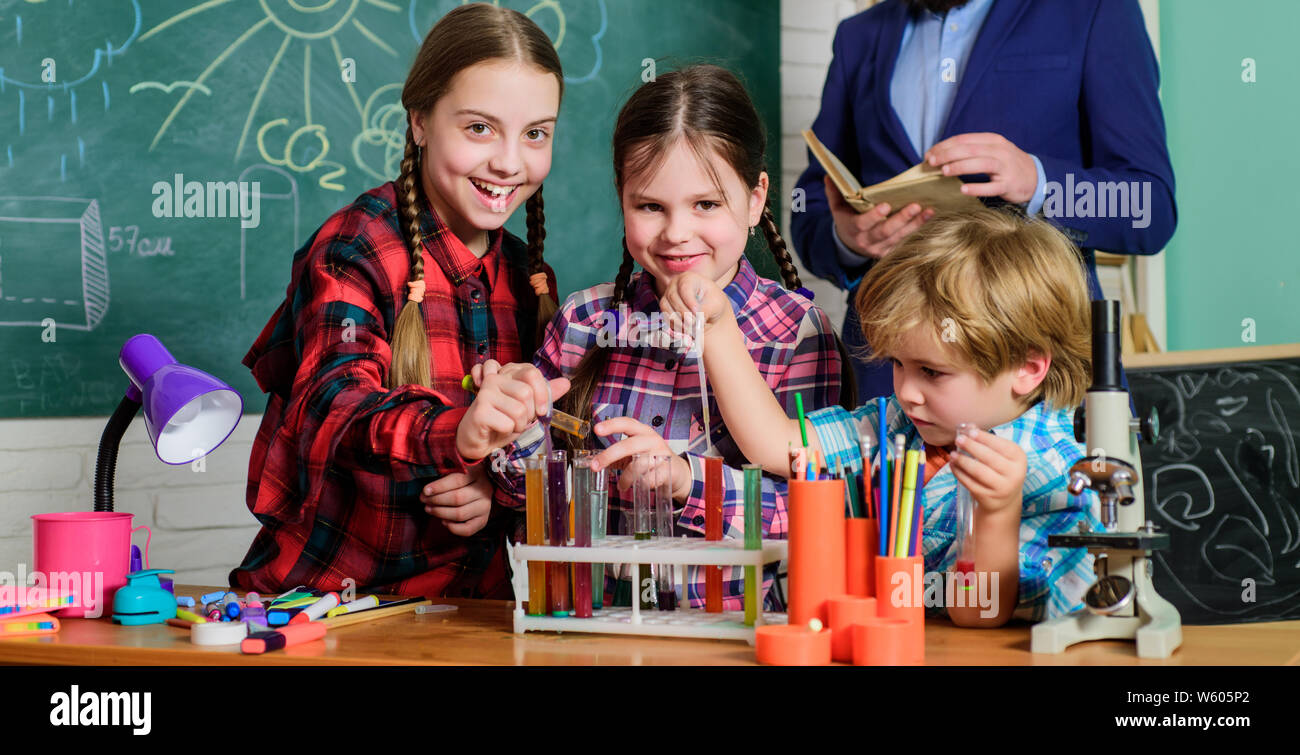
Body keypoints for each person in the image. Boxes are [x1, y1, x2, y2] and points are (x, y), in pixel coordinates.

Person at [231, 5, 568, 598]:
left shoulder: (530, 278)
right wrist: (455, 434)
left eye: (535, 133)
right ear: (419, 121)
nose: (511, 162)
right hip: (328, 609)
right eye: (479, 128)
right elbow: (332, 403)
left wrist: (498, 484)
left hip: (465, 619)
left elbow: (544, 450)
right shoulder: (356, 246)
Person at [487, 65, 847, 610]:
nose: (677, 233)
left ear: (754, 200)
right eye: (650, 206)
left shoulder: (797, 333)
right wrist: (512, 426)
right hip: (591, 628)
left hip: (733, 638)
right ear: (621, 198)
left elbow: (816, 520)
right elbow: (519, 500)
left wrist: (686, 482)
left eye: (706, 205)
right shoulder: (584, 322)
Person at [661, 208, 1103, 625]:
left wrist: (996, 513)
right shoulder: (895, 426)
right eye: (897, 364)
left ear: (1027, 368)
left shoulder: (1057, 476)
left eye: (932, 372)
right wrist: (718, 330)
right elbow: (776, 445)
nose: (906, 391)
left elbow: (977, 612)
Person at [792, 0, 1176, 397]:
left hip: (1035, 370)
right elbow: (808, 207)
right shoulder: (858, 36)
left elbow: (1151, 208)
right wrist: (848, 239)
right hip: (887, 379)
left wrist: (1038, 182)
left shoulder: (1096, 11)